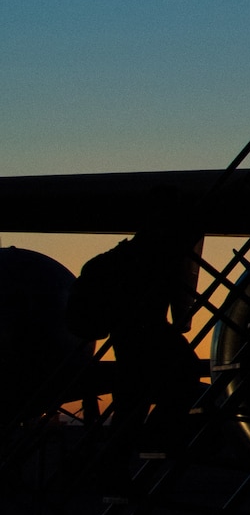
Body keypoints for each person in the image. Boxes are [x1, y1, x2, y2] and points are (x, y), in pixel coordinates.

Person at [64, 193, 205, 457]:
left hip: (132, 340)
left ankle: (122, 462)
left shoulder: (117, 260)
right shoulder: (149, 261)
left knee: (133, 400)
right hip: (143, 336)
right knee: (176, 379)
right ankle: (142, 445)